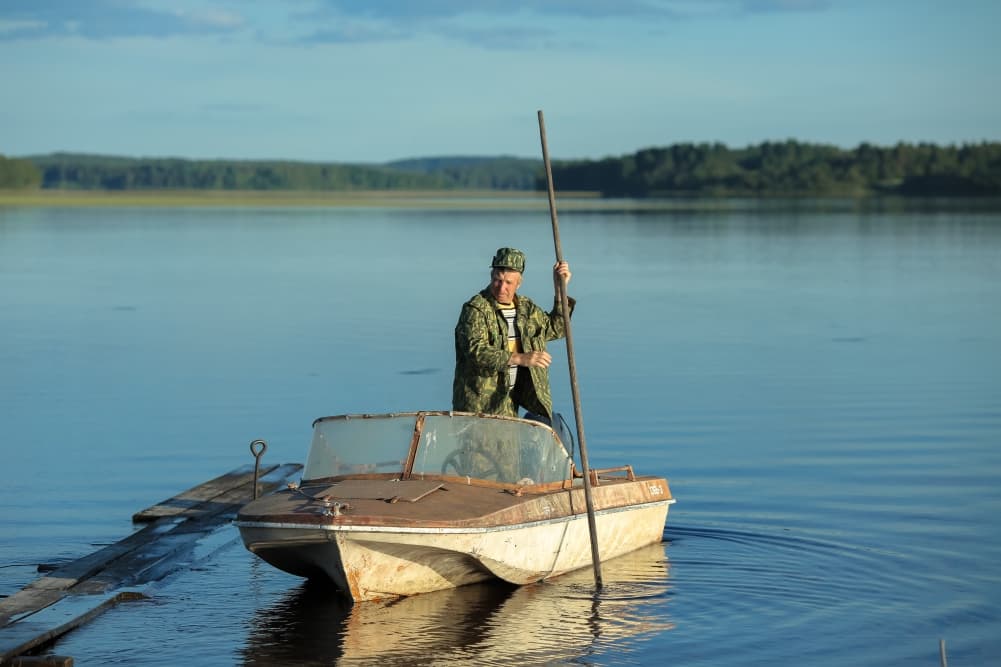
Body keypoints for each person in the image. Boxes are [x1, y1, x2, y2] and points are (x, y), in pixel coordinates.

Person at [452, 247, 574, 423]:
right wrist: (520, 358)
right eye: (497, 280)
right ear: (491, 276)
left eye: (508, 282)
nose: (502, 287)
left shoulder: (526, 308)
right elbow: (475, 351)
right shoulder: (475, 309)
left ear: (519, 283)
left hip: (509, 402)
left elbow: (557, 329)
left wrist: (560, 290)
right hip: (478, 406)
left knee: (508, 451)